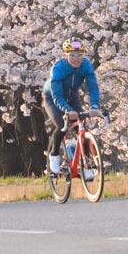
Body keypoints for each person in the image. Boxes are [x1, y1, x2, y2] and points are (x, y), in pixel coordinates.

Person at [42, 36, 101, 178]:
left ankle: (85, 164)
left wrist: (94, 105)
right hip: (52, 98)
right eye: (72, 55)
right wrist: (68, 110)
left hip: (72, 97)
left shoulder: (86, 65)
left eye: (80, 55)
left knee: (81, 127)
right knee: (62, 124)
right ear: (64, 55)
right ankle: (54, 156)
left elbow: (93, 87)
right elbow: (57, 96)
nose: (76, 59)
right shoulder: (58, 68)